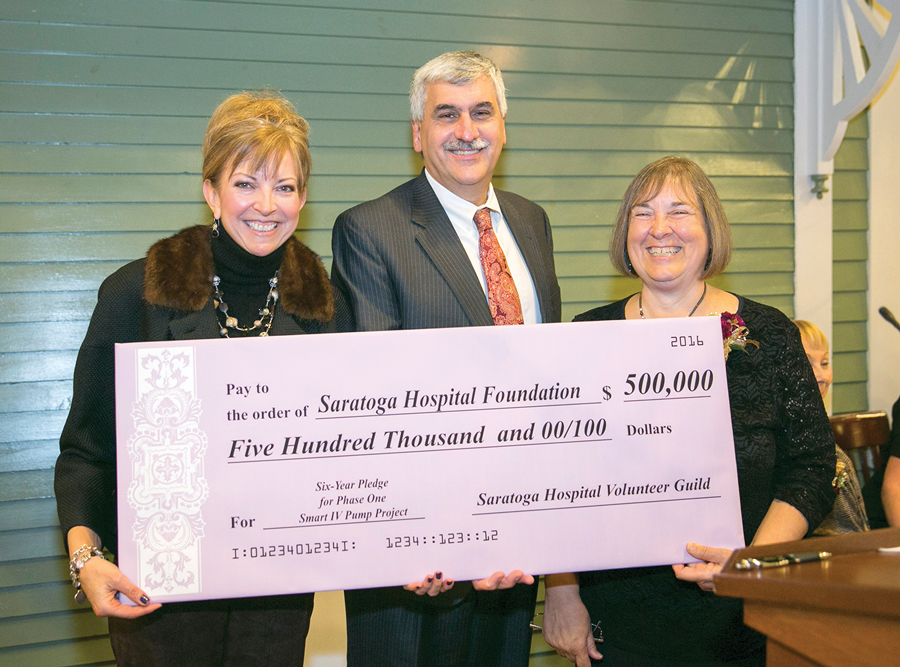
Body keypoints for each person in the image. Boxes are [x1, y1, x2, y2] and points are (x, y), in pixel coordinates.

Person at [54, 91, 349, 666]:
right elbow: (85, 453)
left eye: (285, 187)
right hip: (158, 602)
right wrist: (86, 561)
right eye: (245, 183)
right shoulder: (135, 295)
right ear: (211, 190)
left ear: (304, 198)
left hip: (277, 603)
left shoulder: (327, 310)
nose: (266, 204)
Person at [541, 156, 835, 667]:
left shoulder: (770, 333)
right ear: (624, 232)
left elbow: (811, 466)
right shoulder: (585, 337)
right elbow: (555, 480)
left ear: (710, 228)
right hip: (619, 621)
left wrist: (749, 564)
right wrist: (562, 595)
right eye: (642, 213)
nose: (659, 230)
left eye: (679, 212)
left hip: (743, 616)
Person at [331, 50, 561, 665]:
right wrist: (419, 535)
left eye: (481, 112)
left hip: (518, 543)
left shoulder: (532, 224)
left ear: (503, 127)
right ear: (417, 133)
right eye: (446, 115)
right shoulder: (370, 230)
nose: (466, 131)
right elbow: (376, 400)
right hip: (417, 566)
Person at [792, 319, 869, 534]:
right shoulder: (793, 443)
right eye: (807, 363)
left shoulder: (818, 429)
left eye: (824, 363)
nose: (821, 376)